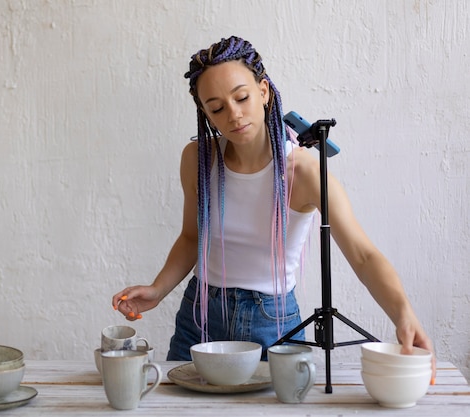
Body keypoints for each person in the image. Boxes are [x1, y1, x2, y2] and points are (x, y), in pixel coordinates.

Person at [112, 36, 435, 378]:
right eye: (217, 107)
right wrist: (158, 289)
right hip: (201, 314)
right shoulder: (197, 159)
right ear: (205, 113)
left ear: (263, 91)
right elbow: (192, 238)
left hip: (272, 323)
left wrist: (404, 314)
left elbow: (363, 255)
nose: (234, 114)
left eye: (242, 97)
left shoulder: (305, 172)